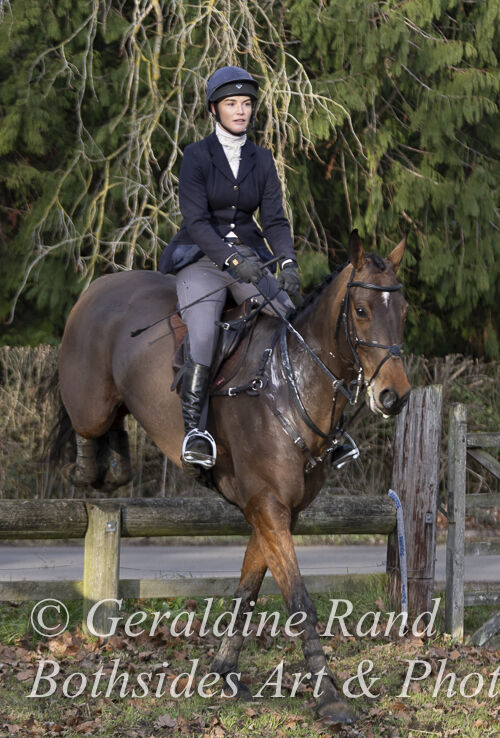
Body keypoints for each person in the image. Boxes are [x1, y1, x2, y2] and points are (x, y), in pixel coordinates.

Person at [158, 65, 300, 475]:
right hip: (202, 259)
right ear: (214, 110)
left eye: (246, 104)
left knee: (289, 318)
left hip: (250, 260)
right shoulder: (196, 156)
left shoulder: (262, 159)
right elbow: (197, 221)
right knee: (203, 333)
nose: (241, 111)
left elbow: (275, 220)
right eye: (232, 103)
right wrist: (232, 260)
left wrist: (287, 260)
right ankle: (195, 432)